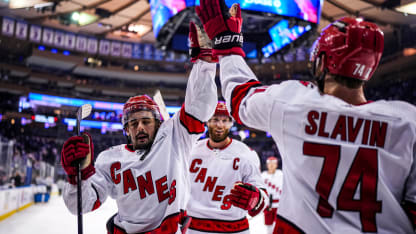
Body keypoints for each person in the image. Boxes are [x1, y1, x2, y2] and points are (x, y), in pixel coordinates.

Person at [196, 1, 416, 233]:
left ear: (321, 62)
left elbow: (240, 98)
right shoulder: (407, 120)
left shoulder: (294, 102)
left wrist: (227, 46)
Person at [60, 22, 219, 234]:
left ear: (159, 123)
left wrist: (204, 62)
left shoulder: (175, 137)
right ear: (126, 130)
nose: (140, 128)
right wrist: (75, 177)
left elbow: (200, 103)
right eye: (133, 124)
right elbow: (81, 206)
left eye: (146, 121)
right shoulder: (110, 159)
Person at [186, 102, 268, 233]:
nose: (220, 125)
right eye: (215, 120)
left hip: (234, 228)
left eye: (225, 121)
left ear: (231, 124)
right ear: (207, 122)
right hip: (193, 227)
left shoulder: (246, 153)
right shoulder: (192, 150)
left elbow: (263, 195)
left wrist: (256, 198)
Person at [261, 156, 283, 234]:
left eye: (273, 163)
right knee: (268, 225)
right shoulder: (263, 176)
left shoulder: (280, 174)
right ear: (267, 165)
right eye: (269, 163)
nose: (271, 165)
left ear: (276, 165)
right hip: (268, 204)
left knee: (278, 224)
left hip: (279, 204)